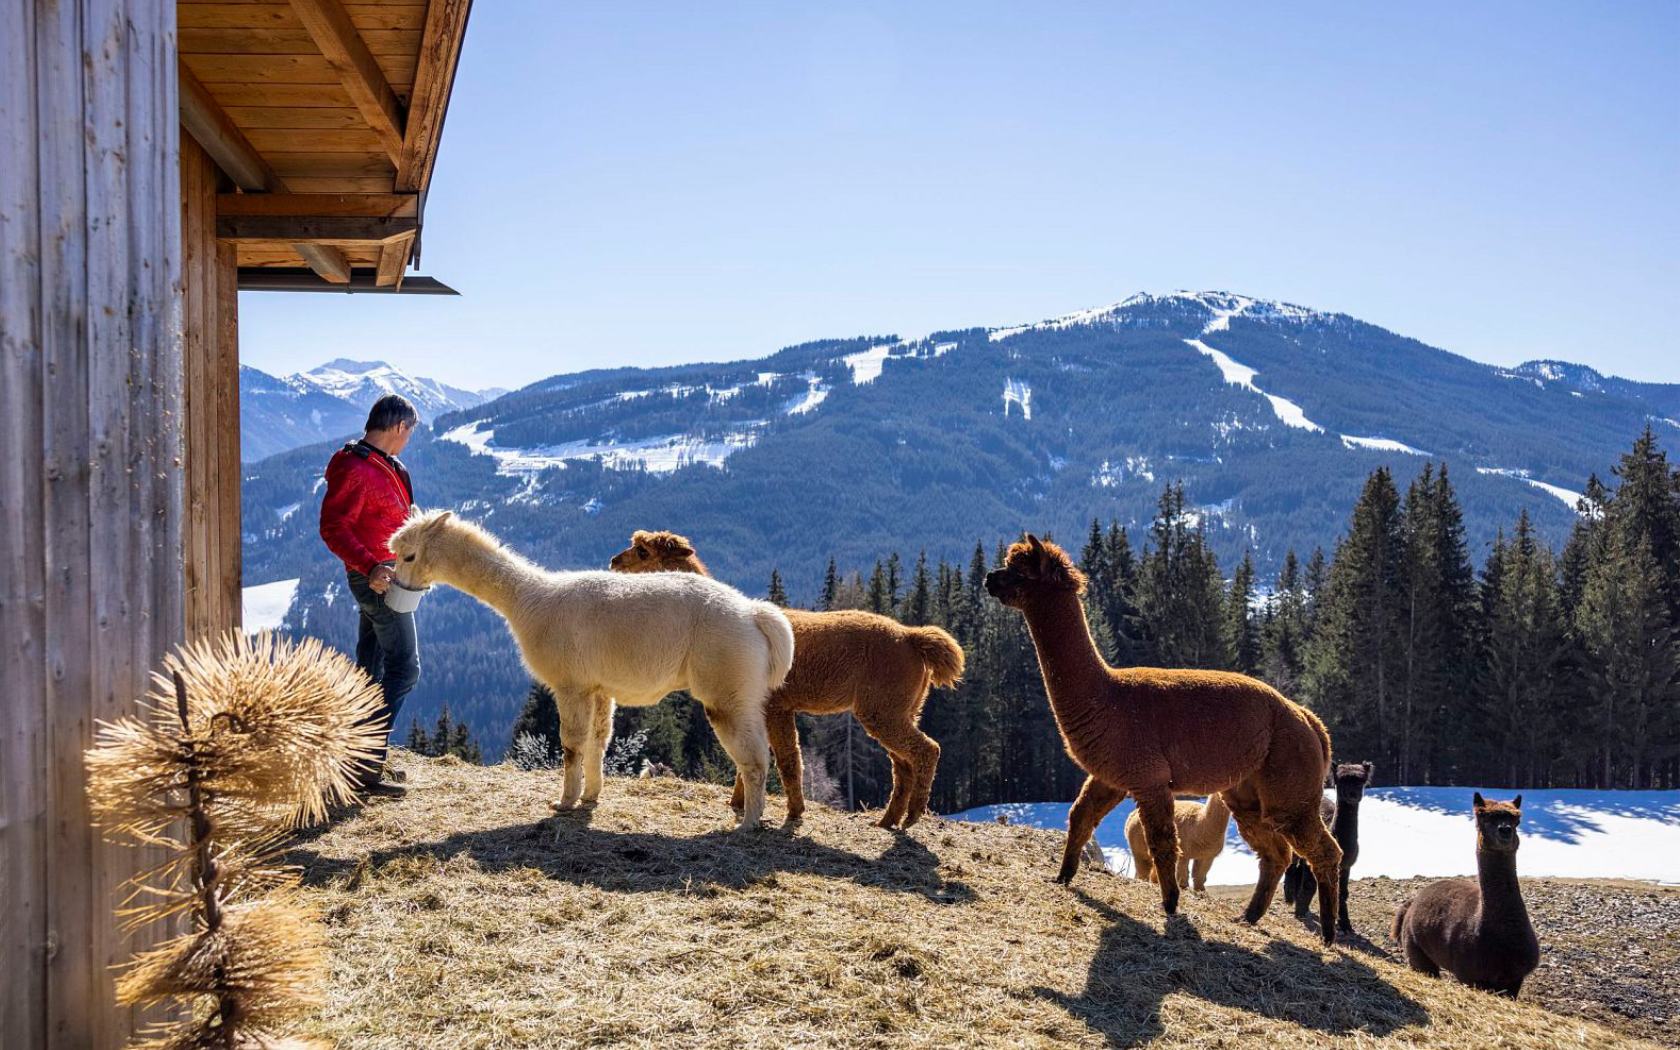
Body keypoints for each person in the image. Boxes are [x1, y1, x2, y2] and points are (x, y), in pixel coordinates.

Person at [319, 393, 421, 795]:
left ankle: (356, 762)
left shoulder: (388, 466)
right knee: (405, 668)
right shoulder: (354, 467)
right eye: (409, 431)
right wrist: (370, 566)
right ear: (398, 427)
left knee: (371, 668)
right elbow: (333, 527)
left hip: (390, 577)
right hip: (376, 581)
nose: (409, 438)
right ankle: (364, 768)